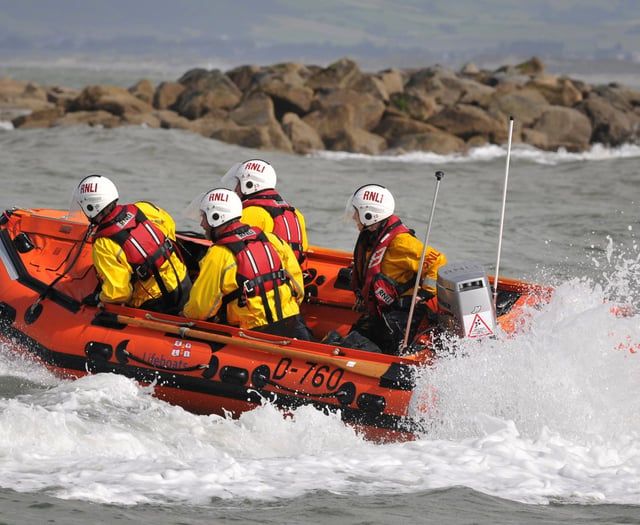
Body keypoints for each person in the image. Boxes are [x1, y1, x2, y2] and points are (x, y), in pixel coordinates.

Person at [181, 188, 312, 340]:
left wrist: (185, 313)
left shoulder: (219, 254)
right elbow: (298, 285)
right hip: (294, 323)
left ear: (215, 217)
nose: (202, 224)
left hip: (254, 333)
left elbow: (201, 309)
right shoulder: (273, 240)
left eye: (204, 217)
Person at [344, 184, 447, 354]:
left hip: (400, 315)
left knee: (357, 346)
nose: (354, 216)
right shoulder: (372, 237)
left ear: (369, 214)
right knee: (351, 340)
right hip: (382, 312)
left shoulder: (400, 242)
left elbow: (438, 260)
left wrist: (424, 293)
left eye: (357, 212)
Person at [72, 174, 191, 313]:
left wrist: (99, 297)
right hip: (184, 281)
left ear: (90, 208)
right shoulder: (144, 208)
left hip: (156, 302)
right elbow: (169, 226)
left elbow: (118, 293)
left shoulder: (104, 244)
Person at [221, 159, 308, 264]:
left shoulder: (251, 213)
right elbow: (304, 249)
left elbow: (228, 251)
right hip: (290, 274)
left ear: (249, 185)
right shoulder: (296, 214)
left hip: (262, 276)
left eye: (239, 184)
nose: (235, 189)